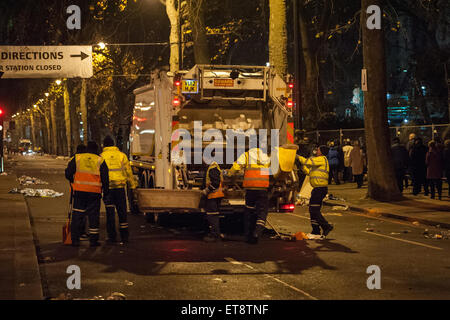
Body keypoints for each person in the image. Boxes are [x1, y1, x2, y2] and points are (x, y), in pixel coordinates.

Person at [65, 141, 109, 247]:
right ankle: (93, 240)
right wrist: (105, 192)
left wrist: (73, 181)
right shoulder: (100, 160)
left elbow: (68, 173)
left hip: (80, 192)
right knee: (93, 217)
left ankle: (74, 239)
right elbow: (105, 179)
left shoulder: (78, 158)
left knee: (78, 215)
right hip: (94, 193)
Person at [229, 146, 271, 244]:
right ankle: (257, 231)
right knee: (262, 212)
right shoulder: (266, 157)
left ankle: (248, 236)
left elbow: (236, 166)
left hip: (250, 190)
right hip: (263, 190)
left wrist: (230, 174)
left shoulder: (247, 155)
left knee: (249, 212)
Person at [101, 136, 137, 244]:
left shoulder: (101, 156)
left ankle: (112, 237)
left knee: (110, 213)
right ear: (114, 144)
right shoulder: (122, 156)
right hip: (120, 188)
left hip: (108, 189)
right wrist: (132, 186)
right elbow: (128, 172)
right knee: (122, 212)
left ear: (104, 145)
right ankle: (124, 236)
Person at [297, 145, 333, 240]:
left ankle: (326, 226)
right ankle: (315, 230)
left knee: (314, 210)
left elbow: (308, 162)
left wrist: (297, 157)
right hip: (317, 189)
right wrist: (303, 168)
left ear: (322, 152)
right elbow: (310, 172)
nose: (316, 151)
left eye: (318, 150)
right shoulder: (320, 161)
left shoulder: (321, 159)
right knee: (313, 210)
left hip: (320, 189)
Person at [201, 161, 225, 242]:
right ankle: (215, 234)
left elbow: (215, 183)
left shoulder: (212, 168)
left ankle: (215, 236)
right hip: (215, 196)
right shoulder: (214, 167)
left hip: (213, 196)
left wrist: (206, 190)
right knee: (213, 216)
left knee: (212, 216)